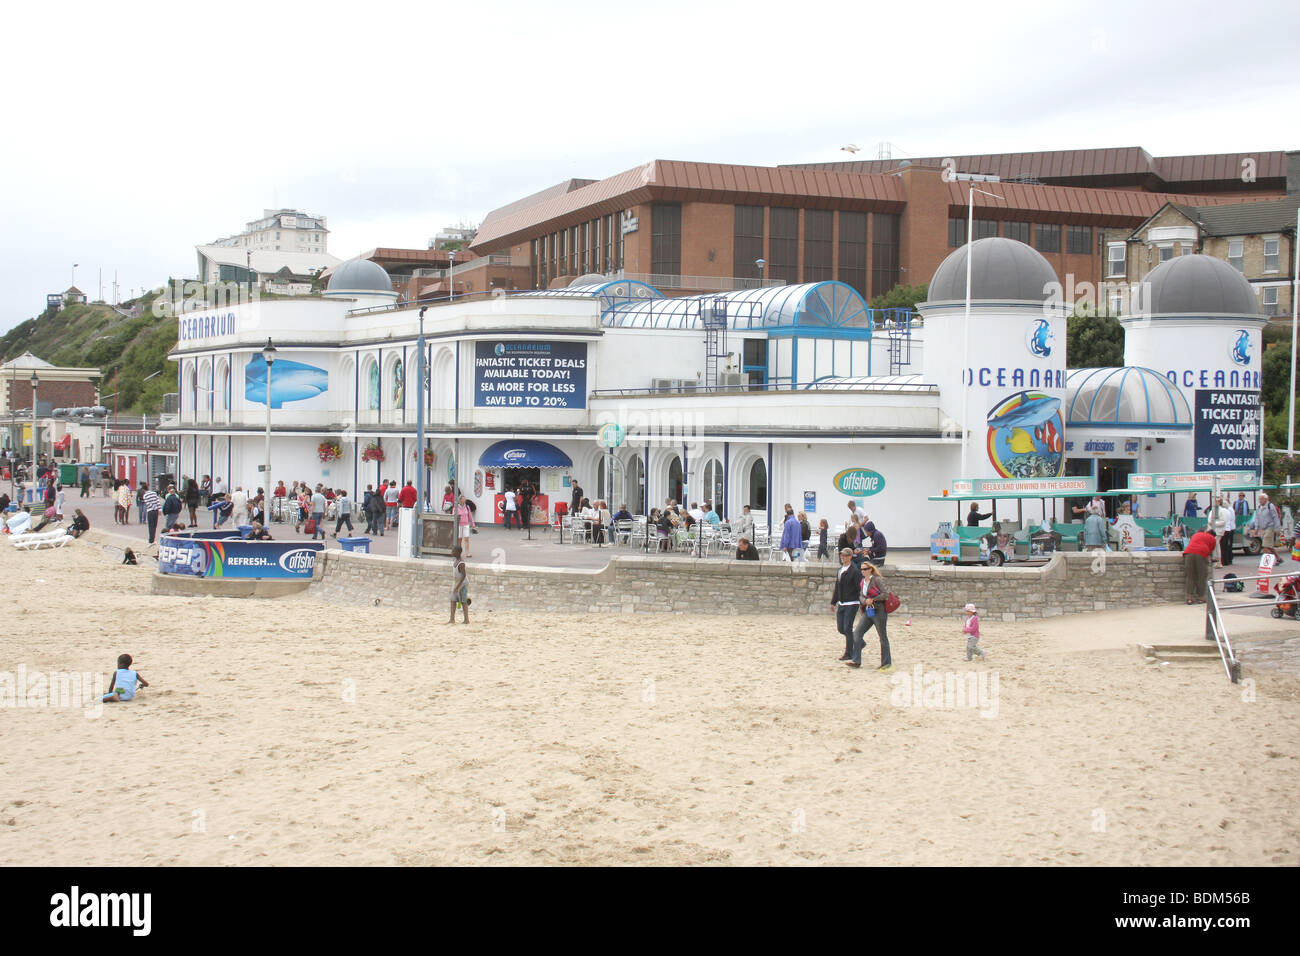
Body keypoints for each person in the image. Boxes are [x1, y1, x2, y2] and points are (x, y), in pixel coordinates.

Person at [847, 562, 891, 672]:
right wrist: (865, 601)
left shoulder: (877, 580)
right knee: (857, 633)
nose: (863, 571)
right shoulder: (863, 582)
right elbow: (861, 595)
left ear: (870, 570)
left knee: (882, 637)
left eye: (865, 569)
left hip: (879, 610)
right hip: (869, 610)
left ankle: (886, 663)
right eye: (862, 569)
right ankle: (856, 660)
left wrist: (873, 599)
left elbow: (886, 594)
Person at [831, 547, 863, 662]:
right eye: (842, 556)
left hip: (852, 602)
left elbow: (859, 587)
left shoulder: (854, 571)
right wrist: (833, 602)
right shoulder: (840, 570)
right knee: (841, 628)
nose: (842, 557)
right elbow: (837, 587)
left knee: (847, 627)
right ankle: (858, 641)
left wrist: (861, 602)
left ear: (850, 557)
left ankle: (849, 653)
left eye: (845, 555)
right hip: (842, 603)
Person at [1246, 492, 1285, 562]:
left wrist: (1277, 529)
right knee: (1269, 545)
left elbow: (1275, 517)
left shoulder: (1270, 506)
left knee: (1265, 546)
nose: (1260, 501)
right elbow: (1257, 518)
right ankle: (1279, 558)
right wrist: (1256, 528)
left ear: (1266, 499)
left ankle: (1264, 563)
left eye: (1261, 499)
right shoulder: (1259, 507)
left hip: (1270, 527)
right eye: (1259, 499)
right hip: (1263, 529)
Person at [1183, 526, 1217, 604]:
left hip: (1189, 553)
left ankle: (1189, 599)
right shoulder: (1212, 539)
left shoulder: (1196, 534)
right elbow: (1210, 552)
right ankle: (1201, 598)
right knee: (1201, 576)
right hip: (1201, 554)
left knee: (1190, 576)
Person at [447, 546, 470, 625]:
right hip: (457, 583)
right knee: (453, 599)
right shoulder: (456, 560)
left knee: (463, 601)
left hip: (462, 584)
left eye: (453, 551)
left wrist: (457, 587)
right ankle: (452, 619)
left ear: (458, 552)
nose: (451, 553)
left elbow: (464, 576)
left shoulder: (461, 563)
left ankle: (466, 620)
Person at [1213, 495, 1235, 567]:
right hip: (1229, 529)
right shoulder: (1229, 511)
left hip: (1224, 529)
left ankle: (1223, 561)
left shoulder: (1223, 511)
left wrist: (1215, 523)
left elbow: (1223, 521)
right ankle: (1227, 560)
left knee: (1222, 546)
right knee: (1227, 546)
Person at [455, 493, 475, 557]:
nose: (464, 500)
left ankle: (467, 553)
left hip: (466, 524)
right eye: (463, 499)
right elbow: (453, 516)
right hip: (459, 525)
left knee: (466, 539)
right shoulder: (456, 507)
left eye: (465, 499)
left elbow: (470, 516)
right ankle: (459, 553)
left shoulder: (467, 507)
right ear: (460, 500)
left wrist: (472, 524)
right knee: (459, 540)